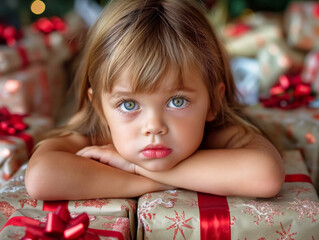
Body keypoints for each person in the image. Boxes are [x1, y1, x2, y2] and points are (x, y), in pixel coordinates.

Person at [25, 0, 285, 201]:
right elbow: (40, 178)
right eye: (129, 105)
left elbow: (266, 175)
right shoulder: (98, 135)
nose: (154, 126)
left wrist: (135, 168)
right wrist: (156, 182)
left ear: (213, 102)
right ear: (100, 108)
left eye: (178, 101)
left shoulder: (219, 132)